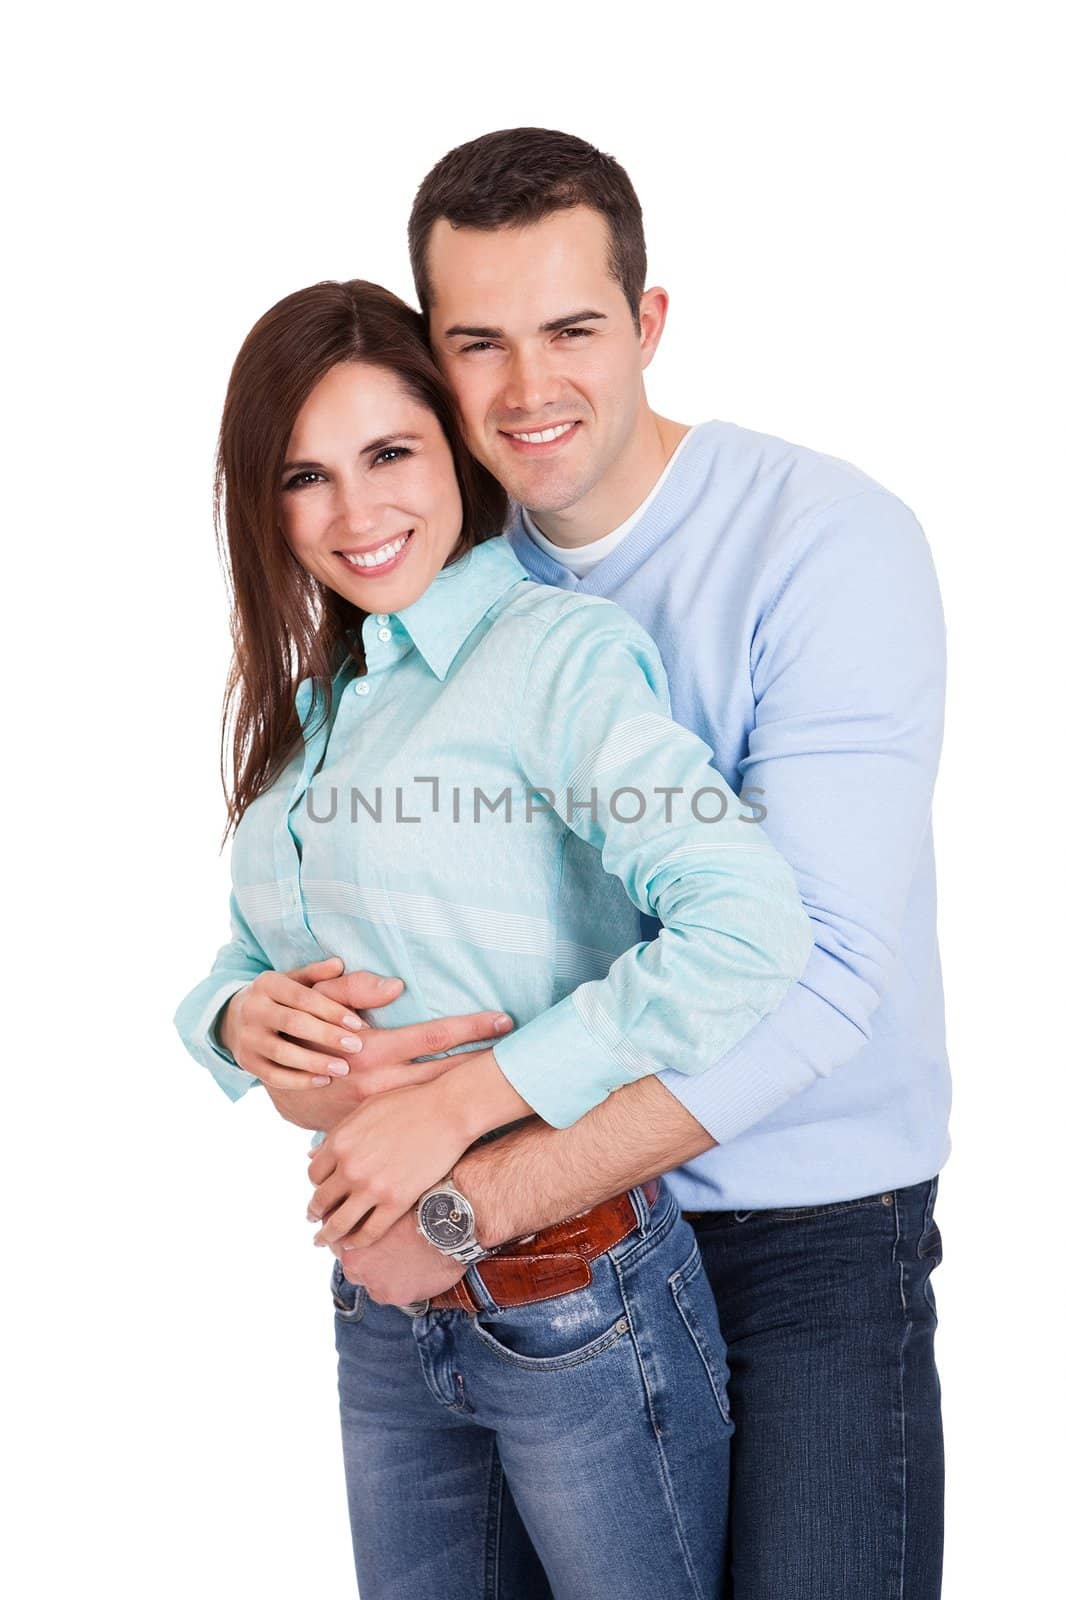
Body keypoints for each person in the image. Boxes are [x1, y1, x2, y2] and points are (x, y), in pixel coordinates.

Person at [290, 129, 950, 1600]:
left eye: (571, 329)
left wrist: (472, 1193)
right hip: (547, 1268)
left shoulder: (822, 542)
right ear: (432, 362)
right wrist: (261, 1030)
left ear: (647, 327)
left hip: (799, 1237)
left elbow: (815, 969)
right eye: (477, 343)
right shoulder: (440, 571)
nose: (528, 391)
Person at [172, 278, 813, 1599]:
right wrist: (233, 1021)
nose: (356, 514)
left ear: (457, 448)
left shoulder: (551, 655)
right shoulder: (321, 702)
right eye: (305, 475)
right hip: (381, 1310)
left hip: (571, 1296)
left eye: (389, 454)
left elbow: (746, 926)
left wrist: (464, 1099)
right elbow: (252, 955)